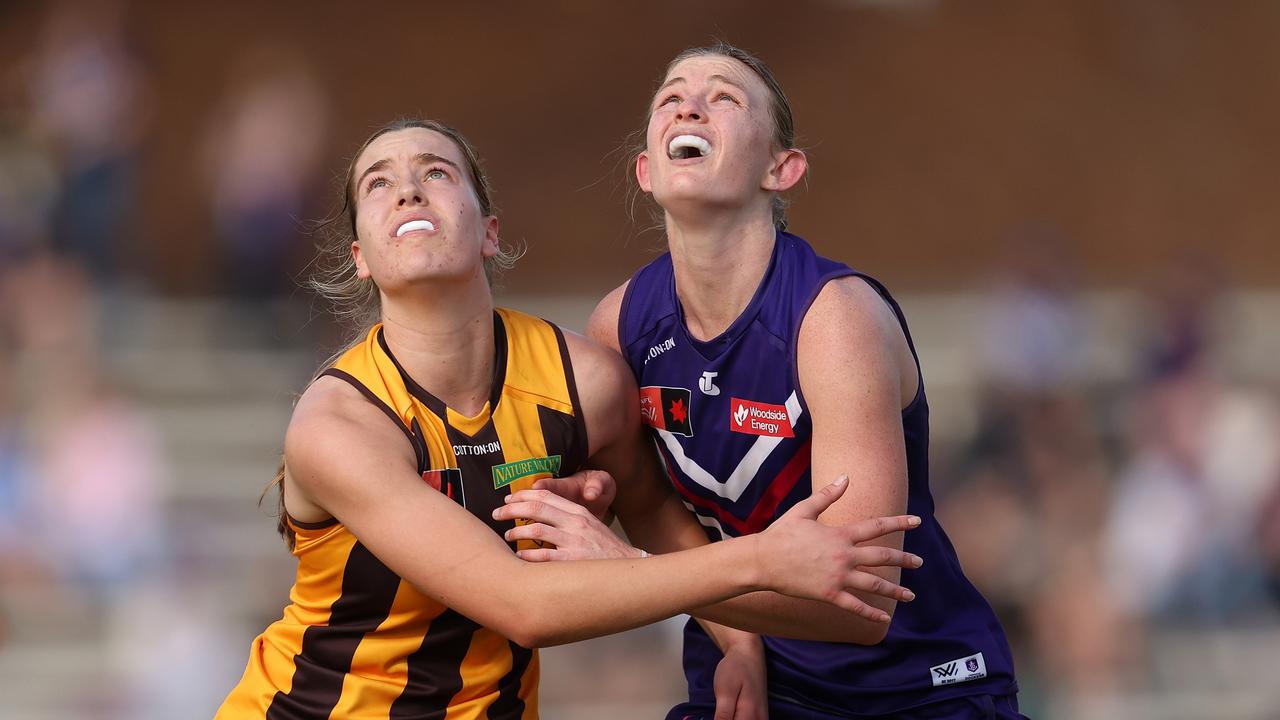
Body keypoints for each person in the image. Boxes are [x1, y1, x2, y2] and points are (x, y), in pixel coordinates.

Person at [214, 118, 925, 719]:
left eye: (436, 172)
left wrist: (737, 643)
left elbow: (652, 511)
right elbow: (520, 605)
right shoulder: (337, 422)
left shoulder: (582, 381)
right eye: (379, 183)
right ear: (361, 258)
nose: (407, 187)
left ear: (489, 231)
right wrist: (763, 559)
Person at [507, 43, 1026, 719]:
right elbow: (646, 508)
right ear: (644, 169)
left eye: (724, 96)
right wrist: (740, 641)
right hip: (747, 676)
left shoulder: (833, 319)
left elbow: (861, 601)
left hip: (914, 688)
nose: (688, 103)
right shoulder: (621, 326)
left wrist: (632, 571)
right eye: (670, 97)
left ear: (782, 168)